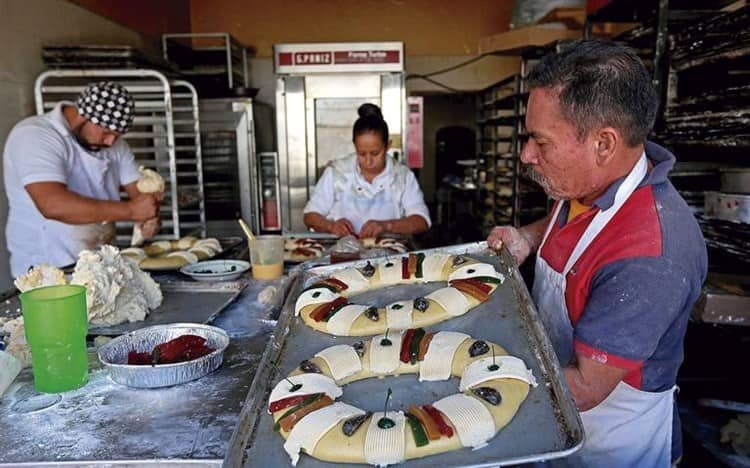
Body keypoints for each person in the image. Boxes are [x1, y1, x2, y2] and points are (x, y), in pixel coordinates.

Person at [487, 40, 706, 467]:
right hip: (553, 422)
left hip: (609, 443)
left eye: (540, 141)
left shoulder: (649, 257)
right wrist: (528, 238)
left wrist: (472, 384)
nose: (526, 154)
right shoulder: (590, 184)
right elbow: (568, 228)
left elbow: (586, 387)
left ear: (604, 143)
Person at [3, 81, 162, 277]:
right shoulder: (35, 135)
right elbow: (53, 205)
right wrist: (131, 210)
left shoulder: (114, 146)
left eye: (117, 136)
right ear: (82, 117)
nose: (111, 142)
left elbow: (139, 192)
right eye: (106, 133)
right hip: (47, 269)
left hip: (101, 266)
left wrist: (149, 216)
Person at [303, 103, 431, 238]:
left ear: (388, 145)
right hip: (343, 254)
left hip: (388, 254)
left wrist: (386, 226)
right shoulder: (338, 172)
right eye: (362, 153)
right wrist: (331, 226)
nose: (368, 161)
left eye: (375, 153)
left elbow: (422, 221)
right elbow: (310, 216)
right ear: (354, 145)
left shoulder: (402, 176)